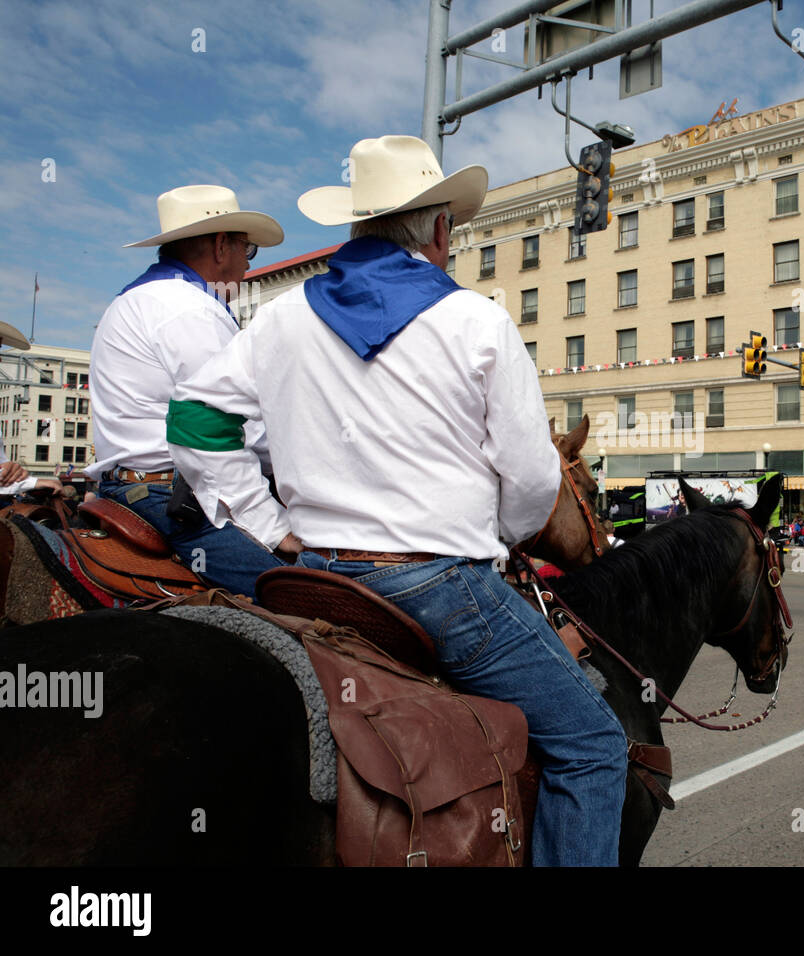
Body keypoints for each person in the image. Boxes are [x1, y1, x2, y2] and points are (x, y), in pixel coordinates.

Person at [166, 135, 626, 865]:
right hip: (440, 590)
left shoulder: (281, 319)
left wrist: (266, 525)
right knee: (595, 744)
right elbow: (535, 481)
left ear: (355, 226)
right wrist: (501, 534)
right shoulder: (479, 321)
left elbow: (192, 419)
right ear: (439, 230)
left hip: (312, 579)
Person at [87, 184, 290, 597]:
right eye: (247, 251)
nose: (246, 266)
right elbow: (238, 425)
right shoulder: (192, 308)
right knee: (307, 595)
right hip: (172, 495)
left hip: (129, 485)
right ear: (221, 246)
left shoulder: (131, 300)